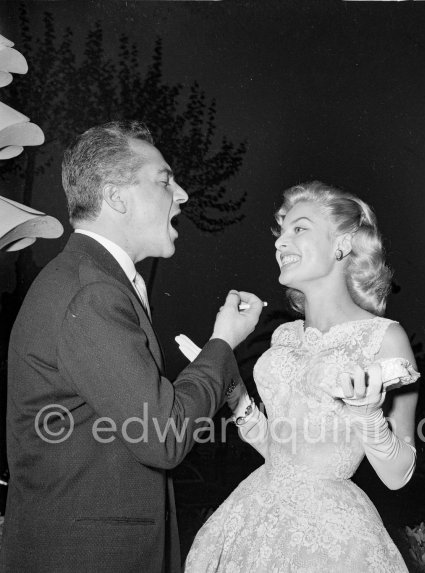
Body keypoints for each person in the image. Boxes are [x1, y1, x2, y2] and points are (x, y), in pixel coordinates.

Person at [0, 121, 263, 573]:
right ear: (116, 196)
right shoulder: (92, 292)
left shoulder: (92, 281)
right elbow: (162, 434)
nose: (181, 194)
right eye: (164, 181)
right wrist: (222, 344)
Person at [185, 181, 419, 572]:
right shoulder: (285, 335)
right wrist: (233, 392)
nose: (280, 242)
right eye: (281, 232)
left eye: (300, 229)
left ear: (342, 245)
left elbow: (398, 476)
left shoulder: (385, 337)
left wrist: (368, 415)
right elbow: (280, 450)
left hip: (331, 540)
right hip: (254, 515)